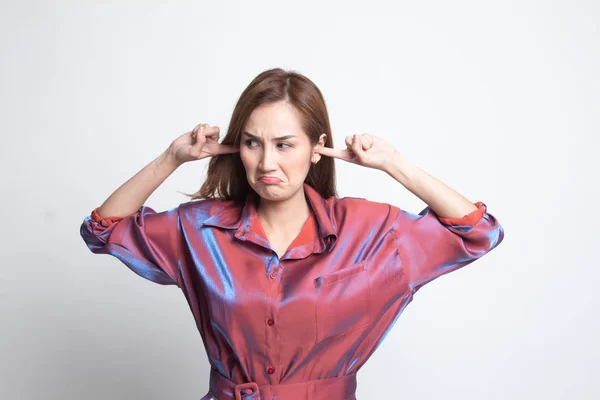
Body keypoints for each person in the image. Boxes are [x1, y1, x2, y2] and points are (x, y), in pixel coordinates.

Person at [80, 68, 504, 400]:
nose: (267, 162)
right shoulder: (200, 230)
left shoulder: (370, 231)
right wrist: (171, 158)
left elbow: (477, 234)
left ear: (316, 146)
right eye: (252, 143)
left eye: (284, 145)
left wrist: (395, 165)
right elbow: (103, 230)